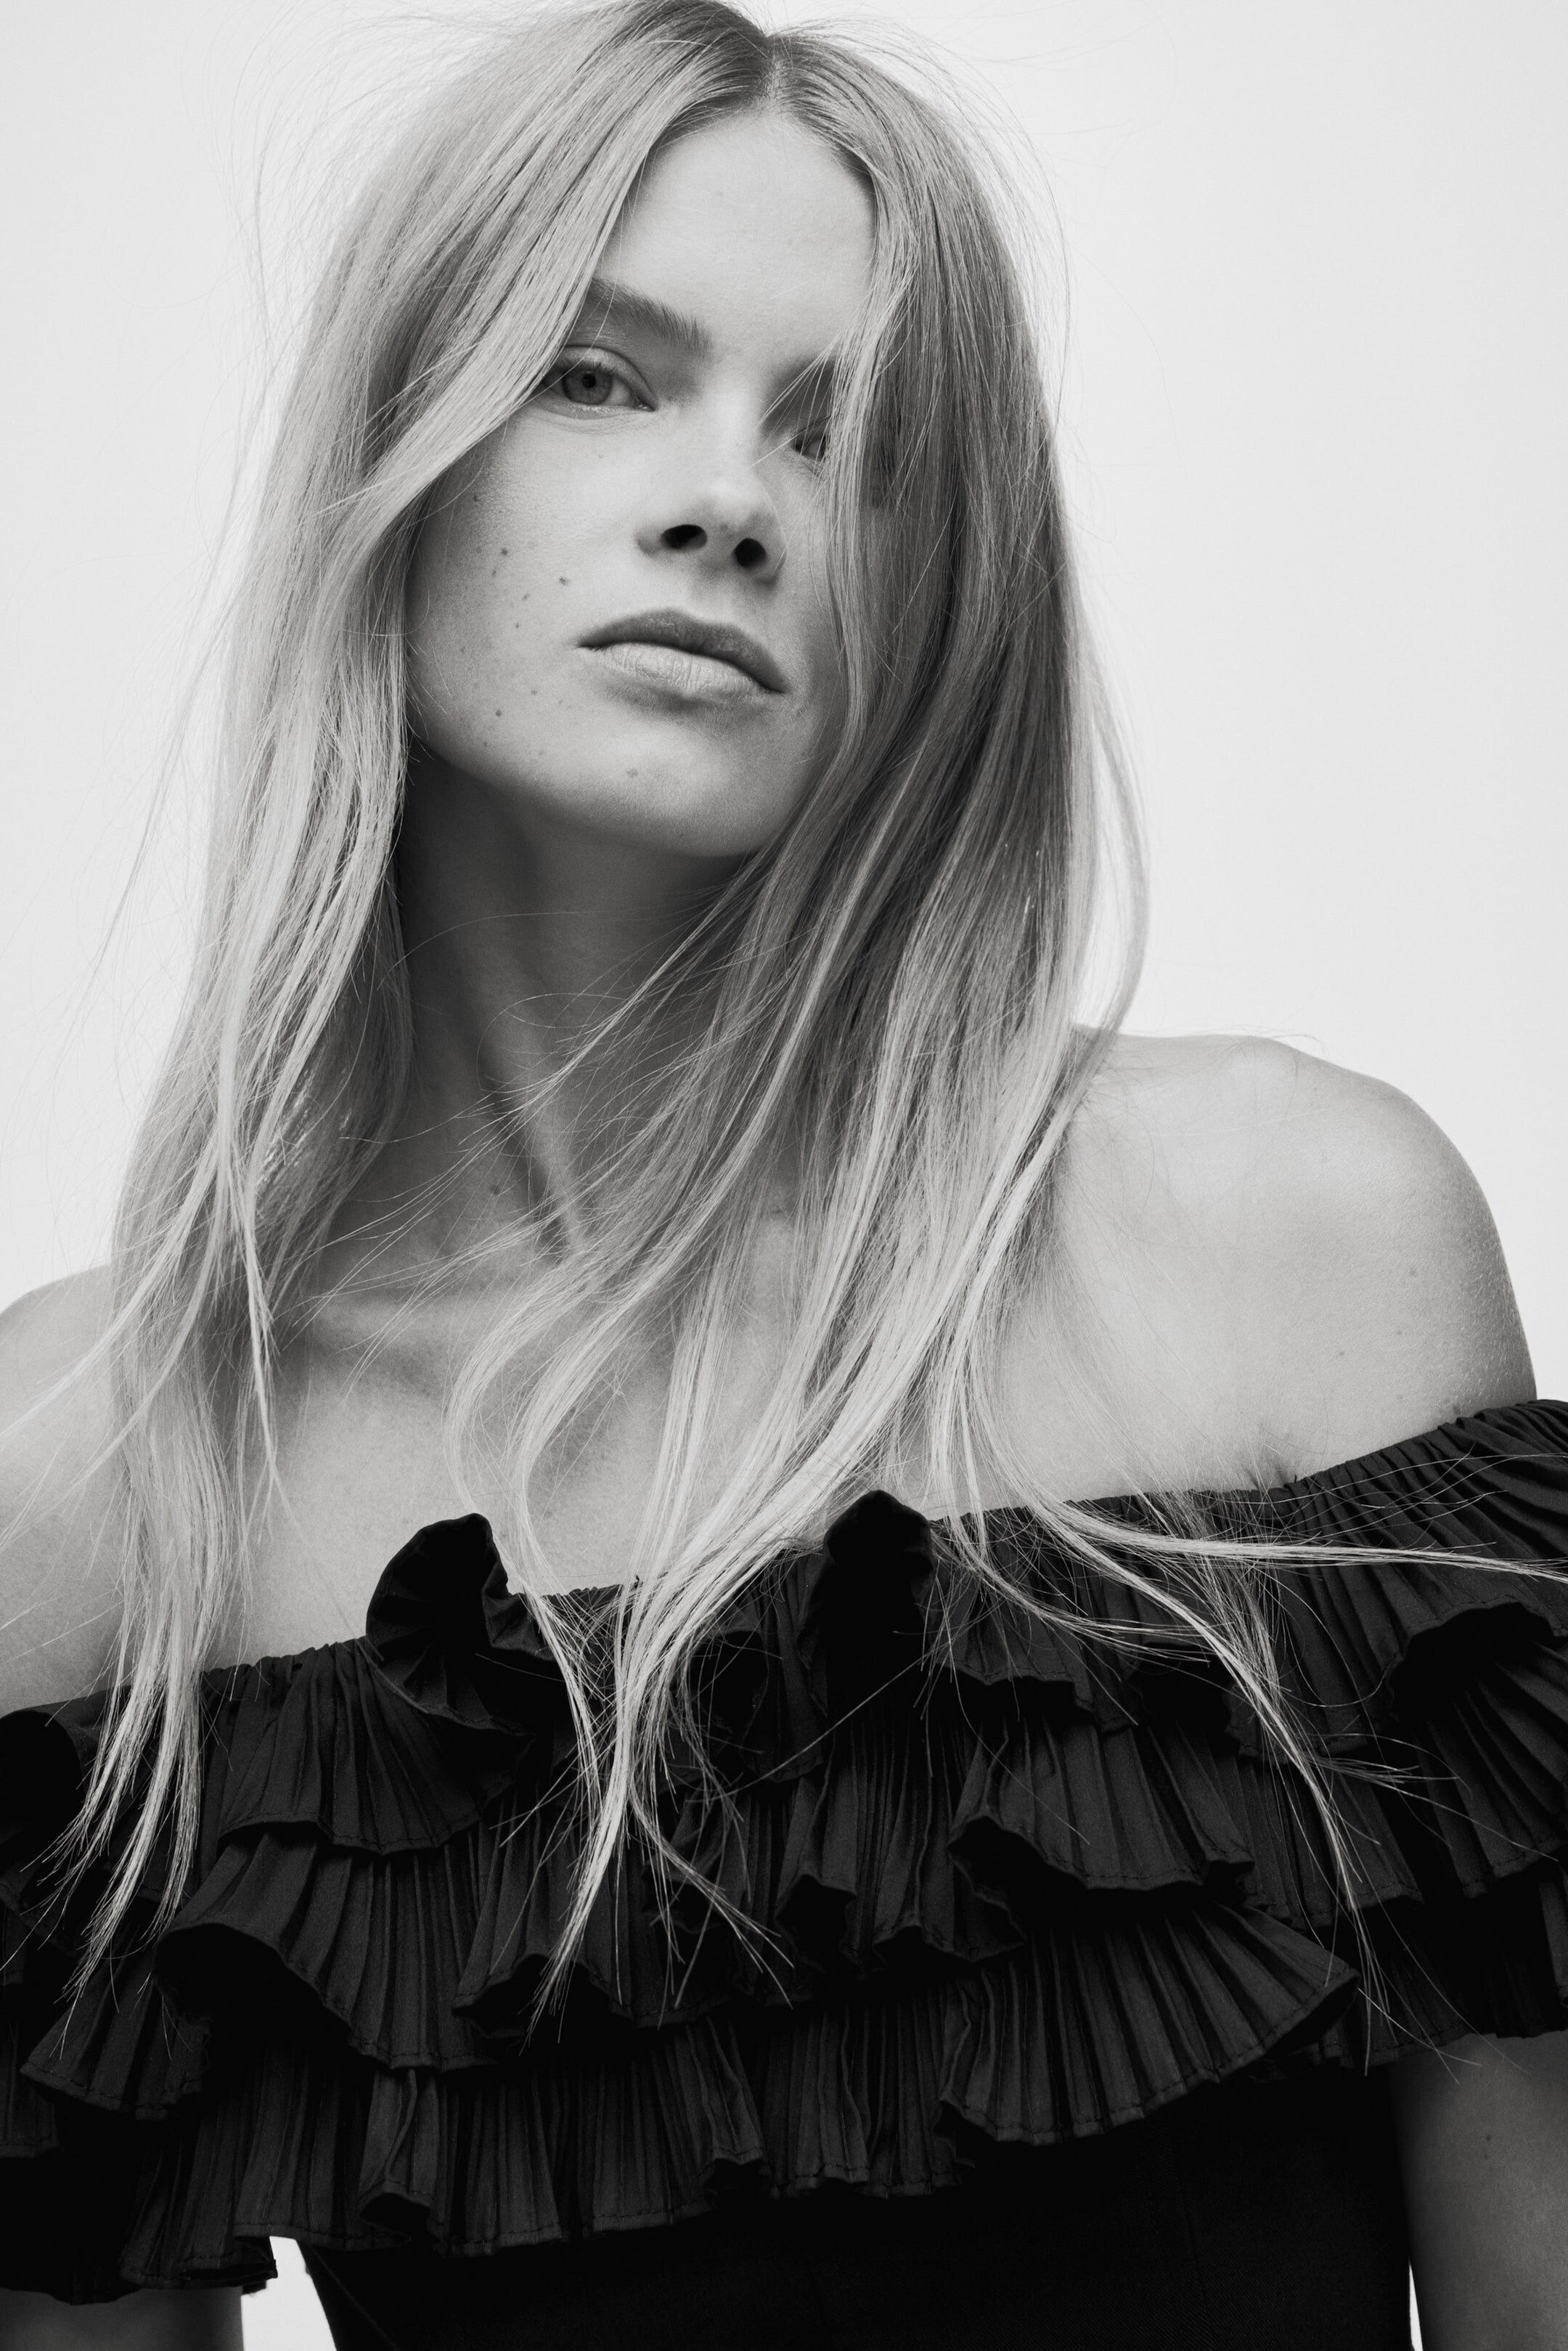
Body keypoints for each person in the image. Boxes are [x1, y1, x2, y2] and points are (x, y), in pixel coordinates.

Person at [1, 2, 1566, 2344]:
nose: (730, 498)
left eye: (851, 437)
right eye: (598, 375)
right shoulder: (100, 1487)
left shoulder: (1288, 1248)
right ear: (391, 455)